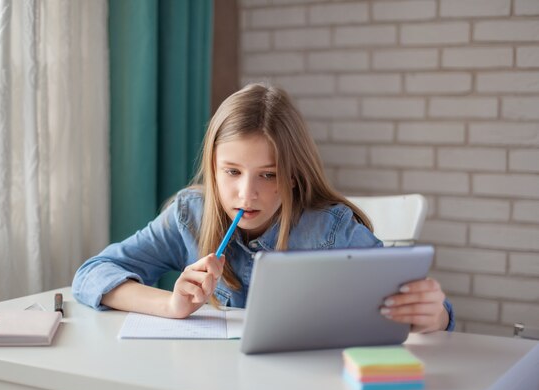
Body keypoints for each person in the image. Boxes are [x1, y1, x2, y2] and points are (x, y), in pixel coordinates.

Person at [73, 83, 454, 333]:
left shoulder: (330, 229)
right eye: (232, 172)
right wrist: (171, 304)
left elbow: (424, 314)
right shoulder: (190, 214)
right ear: (213, 168)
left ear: (292, 175)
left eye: (268, 175)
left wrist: (433, 314)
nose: (246, 193)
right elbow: (92, 273)